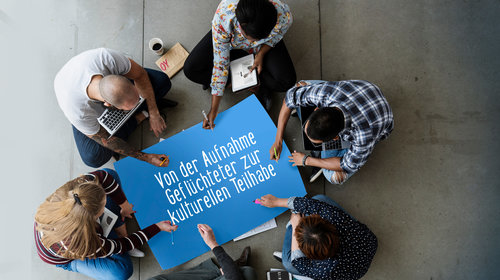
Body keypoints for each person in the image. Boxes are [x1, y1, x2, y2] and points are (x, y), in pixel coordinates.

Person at [34, 168, 178, 280]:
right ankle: (75, 266)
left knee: (110, 175)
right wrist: (157, 227)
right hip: (69, 255)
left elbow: (105, 177)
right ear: (90, 220)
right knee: (122, 271)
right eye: (102, 208)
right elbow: (124, 245)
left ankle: (116, 225)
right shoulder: (85, 243)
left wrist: (124, 205)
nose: (105, 205)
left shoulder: (77, 190)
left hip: (76, 225)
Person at [54, 47, 178, 168]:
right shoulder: (77, 111)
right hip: (81, 108)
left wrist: (154, 112)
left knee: (162, 81)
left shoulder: (107, 58)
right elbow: (106, 139)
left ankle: (139, 113)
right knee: (93, 157)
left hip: (100, 80)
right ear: (108, 104)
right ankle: (138, 118)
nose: (137, 104)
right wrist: (146, 157)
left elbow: (140, 76)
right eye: (127, 108)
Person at [183, 0, 296, 128]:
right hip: (228, 43)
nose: (253, 44)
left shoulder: (283, 15)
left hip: (262, 48)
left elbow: (278, 35)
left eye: (259, 39)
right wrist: (213, 110)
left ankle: (244, 78)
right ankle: (242, 77)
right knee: (191, 69)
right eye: (251, 39)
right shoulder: (224, 17)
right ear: (240, 26)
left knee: (286, 81)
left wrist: (261, 53)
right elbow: (220, 64)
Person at [270, 80, 394, 184]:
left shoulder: (363, 135)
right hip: (362, 92)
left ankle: (322, 157)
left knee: (333, 177)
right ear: (317, 109)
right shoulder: (325, 93)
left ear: (336, 138)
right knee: (299, 86)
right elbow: (290, 97)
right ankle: (323, 156)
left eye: (317, 142)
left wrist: (306, 160)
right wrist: (278, 139)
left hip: (377, 122)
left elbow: (347, 165)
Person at [257, 194, 378, 280]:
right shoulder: (337, 219)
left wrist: (294, 224)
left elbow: (298, 262)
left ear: (310, 255)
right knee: (319, 200)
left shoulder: (325, 270)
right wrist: (277, 201)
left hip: (352, 268)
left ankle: (291, 232)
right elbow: (316, 206)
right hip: (368, 242)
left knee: (288, 263)